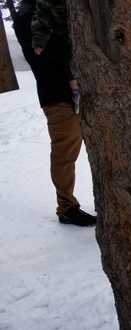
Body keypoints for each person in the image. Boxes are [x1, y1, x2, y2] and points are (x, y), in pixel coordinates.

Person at [11, 0, 95, 226]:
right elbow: (43, 56)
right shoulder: (28, 16)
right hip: (57, 94)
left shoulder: (51, 10)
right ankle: (67, 207)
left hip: (75, 90)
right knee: (65, 153)